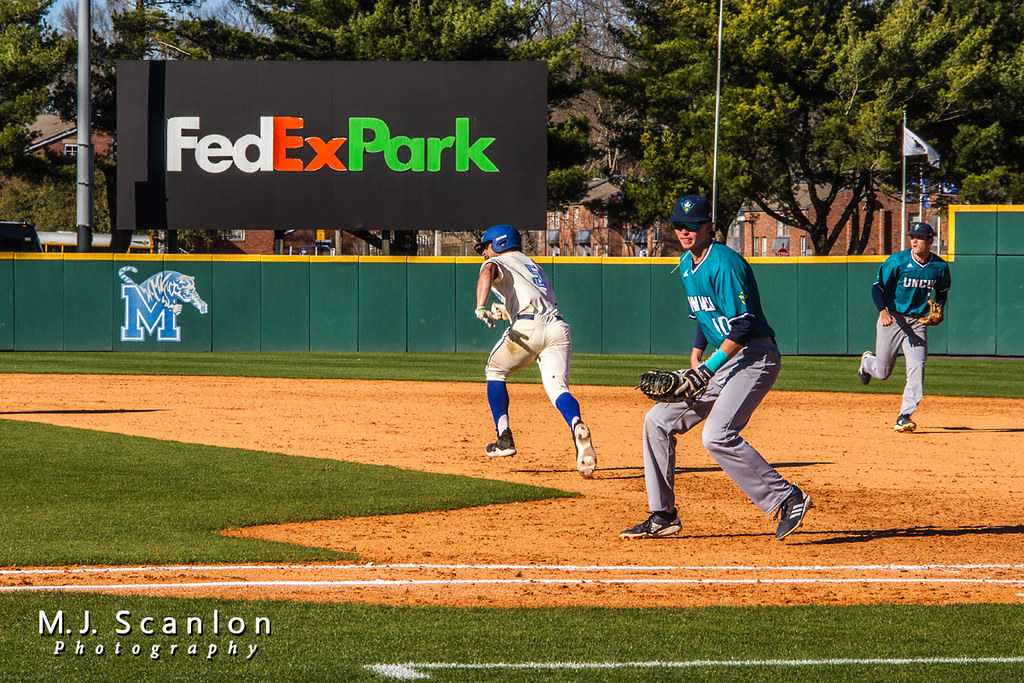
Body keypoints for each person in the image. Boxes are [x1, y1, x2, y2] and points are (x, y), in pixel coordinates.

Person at [621, 195, 811, 540]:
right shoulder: (685, 263)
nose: (685, 231)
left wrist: (708, 368)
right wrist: (697, 352)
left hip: (755, 356)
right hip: (723, 358)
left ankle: (788, 497)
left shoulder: (725, 263)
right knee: (657, 421)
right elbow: (702, 315)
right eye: (679, 225)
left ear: (710, 226)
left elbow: (744, 325)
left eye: (693, 226)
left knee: (717, 435)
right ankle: (662, 515)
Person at [472, 224, 597, 477]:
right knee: (558, 389)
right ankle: (576, 424)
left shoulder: (498, 261)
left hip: (528, 327)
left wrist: (480, 306)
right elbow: (538, 303)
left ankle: (504, 438)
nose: (484, 253)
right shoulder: (532, 265)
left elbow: (487, 272)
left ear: (499, 244)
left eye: (485, 246)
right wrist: (508, 311)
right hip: (558, 327)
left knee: (495, 372)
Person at [858, 221, 951, 432]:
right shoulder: (897, 261)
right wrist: (882, 311)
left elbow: (943, 292)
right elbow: (877, 288)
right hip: (892, 318)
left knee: (917, 366)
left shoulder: (939, 266)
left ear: (931, 241)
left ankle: (905, 414)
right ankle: (866, 363)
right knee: (882, 372)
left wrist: (940, 307)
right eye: (912, 237)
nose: (915, 240)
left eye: (919, 237)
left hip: (917, 322)